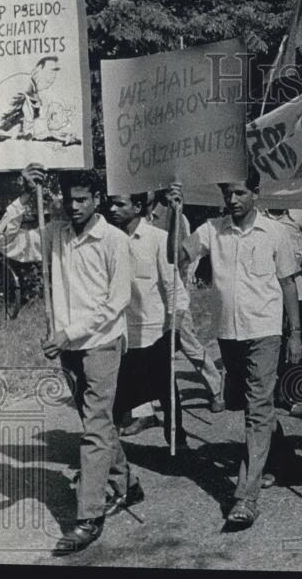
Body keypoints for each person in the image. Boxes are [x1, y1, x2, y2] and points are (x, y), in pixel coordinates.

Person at [0, 164, 134, 555]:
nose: (73, 207)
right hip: (67, 348)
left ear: (97, 200)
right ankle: (126, 482)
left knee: (95, 427)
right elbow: (6, 242)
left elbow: (116, 302)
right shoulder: (55, 234)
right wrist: (25, 198)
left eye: (82, 200)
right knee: (94, 422)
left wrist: (68, 333)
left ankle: (88, 517)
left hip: (101, 343)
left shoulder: (114, 240)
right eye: (68, 200)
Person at [167, 168, 302, 528]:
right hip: (228, 333)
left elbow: (288, 284)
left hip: (265, 332)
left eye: (240, 193)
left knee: (257, 409)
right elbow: (177, 256)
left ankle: (246, 497)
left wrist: (296, 334)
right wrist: (174, 214)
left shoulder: (275, 233)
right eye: (228, 193)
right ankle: (285, 462)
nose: (233, 200)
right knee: (250, 404)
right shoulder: (213, 229)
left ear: (256, 193)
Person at [106, 192, 189, 452]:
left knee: (167, 394)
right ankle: (107, 454)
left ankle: (178, 444)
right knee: (117, 399)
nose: (112, 209)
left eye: (120, 204)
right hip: (119, 335)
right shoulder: (108, 240)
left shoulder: (158, 239)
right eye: (111, 203)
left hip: (154, 335)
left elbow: (175, 289)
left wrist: (173, 331)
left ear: (138, 206)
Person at [146, 190, 225, 414]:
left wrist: (183, 286)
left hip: (171, 290)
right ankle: (146, 406)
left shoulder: (175, 215)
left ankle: (216, 386)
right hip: (144, 294)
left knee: (185, 339)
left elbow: (185, 256)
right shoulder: (132, 216)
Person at [263, 206, 302, 409]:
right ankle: (272, 391)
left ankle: (297, 393)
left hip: (298, 288)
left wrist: (299, 259)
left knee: (296, 338)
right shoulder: (259, 214)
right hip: (268, 290)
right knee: (271, 339)